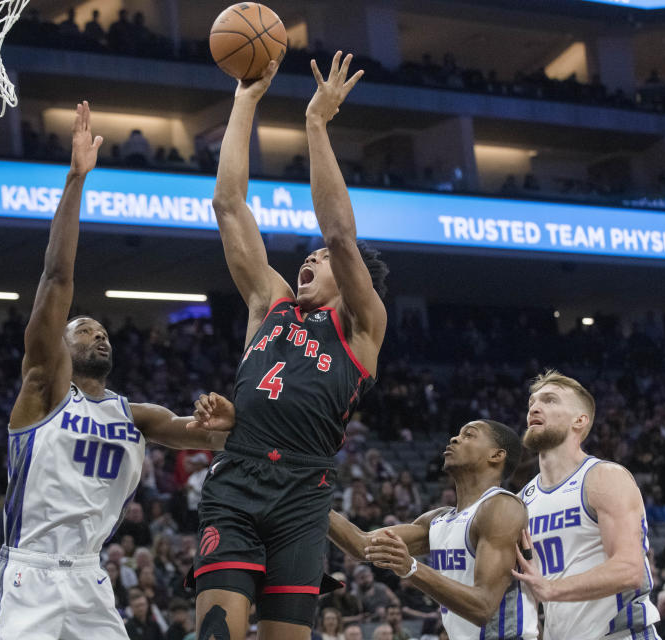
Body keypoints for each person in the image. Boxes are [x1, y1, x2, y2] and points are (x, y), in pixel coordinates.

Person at [0, 103, 236, 640]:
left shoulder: (136, 415)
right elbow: (56, 276)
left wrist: (223, 417)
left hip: (92, 578)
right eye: (83, 328)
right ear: (60, 346)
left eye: (102, 329)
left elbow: (218, 437)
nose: (98, 333)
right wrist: (76, 180)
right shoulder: (44, 391)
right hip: (30, 572)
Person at [192, 53, 388, 640]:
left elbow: (339, 233)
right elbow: (229, 205)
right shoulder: (269, 304)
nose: (312, 257)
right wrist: (245, 99)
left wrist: (316, 125)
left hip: (306, 494)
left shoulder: (363, 325)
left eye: (322, 261)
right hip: (237, 478)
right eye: (309, 256)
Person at [330, 420, 536, 639]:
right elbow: (362, 546)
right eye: (458, 434)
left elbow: (484, 606)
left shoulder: (502, 506)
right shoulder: (438, 520)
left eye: (469, 435)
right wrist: (309, 495)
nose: (454, 438)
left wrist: (411, 568)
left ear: (496, 455)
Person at [514, 371, 660, 640]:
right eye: (532, 402)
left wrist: (551, 588)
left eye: (550, 400)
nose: (534, 407)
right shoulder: (524, 499)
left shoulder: (603, 478)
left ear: (579, 421)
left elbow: (629, 569)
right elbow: (530, 590)